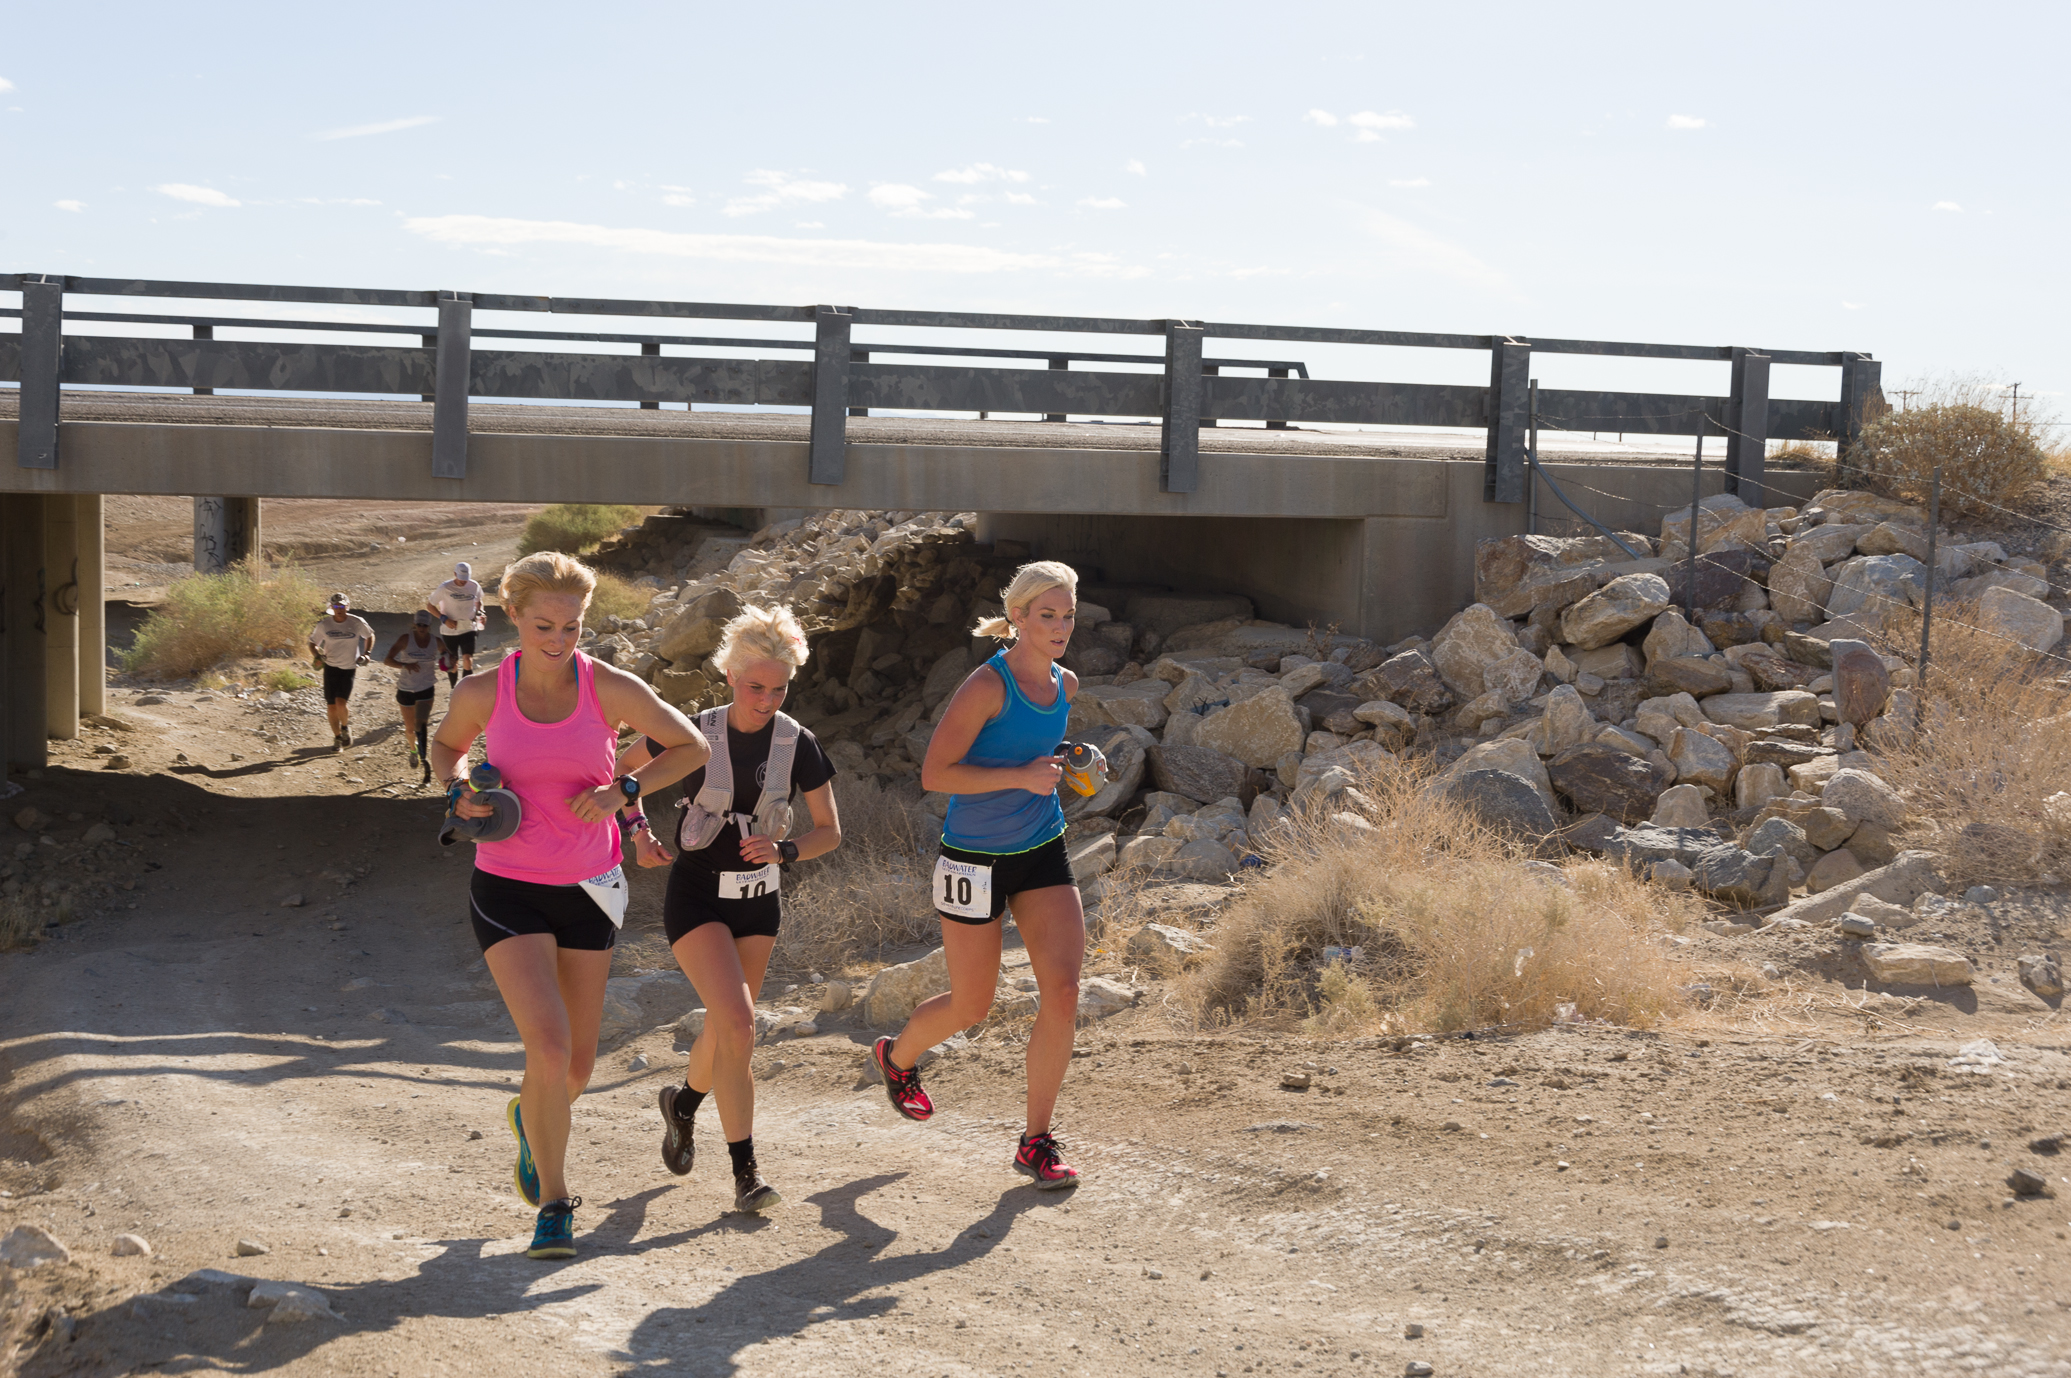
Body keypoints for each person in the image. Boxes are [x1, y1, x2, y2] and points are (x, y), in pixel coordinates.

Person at [429, 551, 708, 1260]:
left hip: (591, 886)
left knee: (575, 1070)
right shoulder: (483, 691)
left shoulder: (608, 688)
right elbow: (446, 748)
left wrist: (627, 791)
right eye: (544, 625)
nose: (559, 639)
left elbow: (691, 745)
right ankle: (554, 1203)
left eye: (572, 626)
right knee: (547, 1048)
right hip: (507, 885)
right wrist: (458, 785)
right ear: (513, 618)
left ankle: (532, 1116)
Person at [618, 604, 842, 1214]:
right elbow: (617, 771)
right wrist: (637, 832)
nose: (767, 699)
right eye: (754, 686)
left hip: (758, 903)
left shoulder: (800, 744)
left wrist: (786, 848)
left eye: (779, 688)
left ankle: (682, 1105)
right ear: (729, 678)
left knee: (725, 1025)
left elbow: (830, 832)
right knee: (741, 1025)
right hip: (695, 897)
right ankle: (747, 1175)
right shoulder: (692, 731)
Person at [870, 560, 1086, 1190]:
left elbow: (1035, 755)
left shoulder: (1065, 685)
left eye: (1068, 615)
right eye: (1047, 614)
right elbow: (936, 774)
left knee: (1065, 991)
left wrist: (1071, 762)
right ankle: (898, 1056)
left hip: (1042, 847)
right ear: (1017, 617)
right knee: (972, 1005)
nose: (1060, 626)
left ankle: (1035, 1141)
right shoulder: (986, 687)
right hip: (972, 857)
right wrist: (1020, 777)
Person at [308, 592, 376, 751]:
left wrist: (367, 653)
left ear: (347, 606)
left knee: (340, 702)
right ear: (331, 607)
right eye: (336, 606)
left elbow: (370, 635)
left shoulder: (357, 622)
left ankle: (345, 728)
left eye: (342, 606)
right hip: (330, 667)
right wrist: (317, 656)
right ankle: (338, 738)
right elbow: (312, 643)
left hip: (348, 667)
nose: (339, 609)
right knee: (331, 706)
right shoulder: (324, 625)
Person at [383, 610, 443, 783]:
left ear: (430, 626)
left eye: (425, 625)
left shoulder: (436, 641)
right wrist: (404, 665)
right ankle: (413, 750)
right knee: (410, 730)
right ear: (414, 625)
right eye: (419, 625)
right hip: (406, 690)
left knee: (421, 726)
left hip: (426, 689)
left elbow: (448, 654)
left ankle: (425, 762)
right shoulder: (405, 639)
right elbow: (387, 660)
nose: (422, 628)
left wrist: (449, 660)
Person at [428, 561, 486, 688]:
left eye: (466, 579)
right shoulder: (444, 588)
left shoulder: (474, 586)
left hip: (469, 627)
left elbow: (479, 601)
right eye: (461, 579)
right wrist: (443, 618)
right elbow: (430, 605)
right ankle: (454, 690)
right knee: (452, 664)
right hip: (450, 630)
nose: (463, 582)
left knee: (467, 660)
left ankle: (466, 692)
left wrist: (481, 612)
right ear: (455, 574)